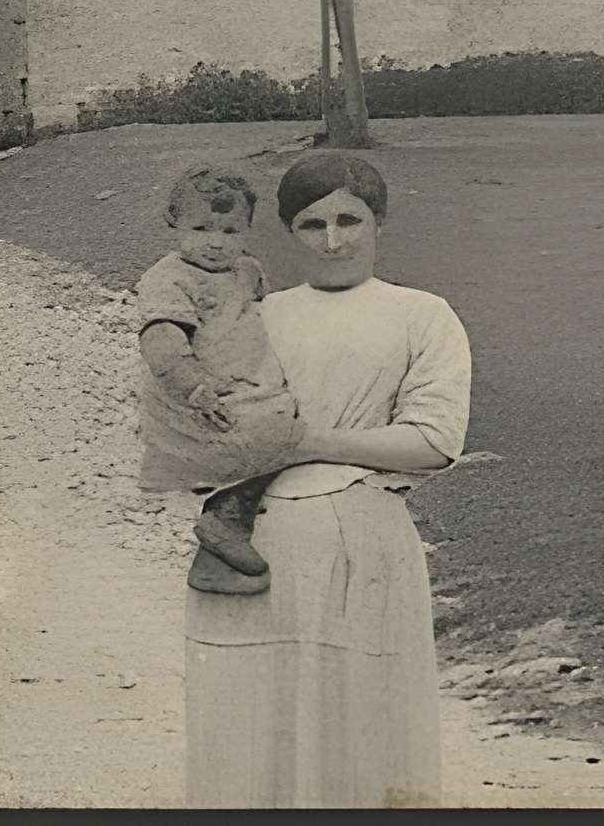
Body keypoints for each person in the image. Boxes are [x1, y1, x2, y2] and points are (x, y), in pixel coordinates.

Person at [182, 152, 473, 808]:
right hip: (253, 547)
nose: (334, 239)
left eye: (351, 219)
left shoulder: (421, 315)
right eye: (313, 225)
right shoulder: (255, 317)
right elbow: (202, 440)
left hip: (363, 540)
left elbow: (432, 442)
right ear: (289, 230)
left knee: (363, 730)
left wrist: (306, 441)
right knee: (250, 730)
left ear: (380, 223)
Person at [135, 166, 302, 594]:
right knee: (285, 437)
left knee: (311, 410)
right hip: (197, 395)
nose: (215, 241)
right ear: (174, 222)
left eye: (229, 230)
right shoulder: (169, 279)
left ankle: (226, 554)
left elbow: (271, 319)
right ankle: (227, 516)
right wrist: (194, 387)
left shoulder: (246, 271)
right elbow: (163, 344)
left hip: (248, 381)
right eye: (201, 227)